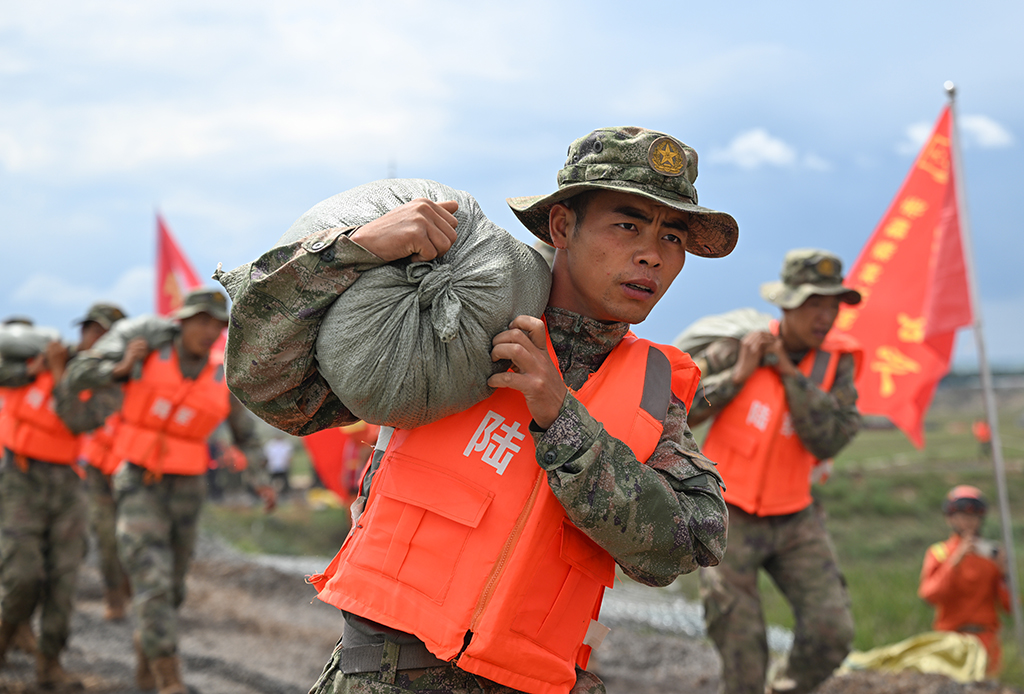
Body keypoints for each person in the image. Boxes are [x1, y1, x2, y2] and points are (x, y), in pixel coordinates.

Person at [216, 126, 737, 694]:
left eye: (673, 238)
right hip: (387, 677)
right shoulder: (450, 317)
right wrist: (351, 252)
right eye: (628, 225)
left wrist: (562, 419)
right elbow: (273, 388)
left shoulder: (655, 383)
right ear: (562, 226)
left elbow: (689, 543)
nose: (651, 255)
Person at [62, 288, 277, 694]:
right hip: (138, 479)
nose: (209, 331)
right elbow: (77, 375)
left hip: (188, 487)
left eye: (217, 324)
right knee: (152, 578)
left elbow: (246, 436)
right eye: (201, 321)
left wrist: (261, 481)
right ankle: (168, 677)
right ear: (180, 321)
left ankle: (148, 652)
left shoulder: (221, 372)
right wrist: (120, 368)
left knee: (173, 587)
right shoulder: (143, 356)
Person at [688, 249, 863, 694]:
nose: (825, 316)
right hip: (729, 517)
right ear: (786, 303)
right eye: (813, 303)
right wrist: (739, 375)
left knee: (832, 631)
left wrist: (789, 374)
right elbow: (683, 411)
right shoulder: (736, 345)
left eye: (833, 304)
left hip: (795, 518)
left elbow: (830, 438)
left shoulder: (836, 364)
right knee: (742, 649)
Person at [0, 301, 125, 689]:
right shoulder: (39, 356)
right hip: (21, 478)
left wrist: (55, 375)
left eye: (102, 332)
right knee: (21, 576)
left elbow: (76, 420)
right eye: (89, 328)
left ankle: (49, 663)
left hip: (68, 485)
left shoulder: (108, 384)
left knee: (63, 579)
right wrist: (31, 370)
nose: (92, 337)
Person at [919, 485, 1010, 675]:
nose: (968, 521)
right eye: (962, 515)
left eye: (974, 516)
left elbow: (1010, 606)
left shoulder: (992, 555)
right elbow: (929, 595)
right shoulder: (939, 553)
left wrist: (1004, 574)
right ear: (950, 518)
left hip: (986, 640)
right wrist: (954, 562)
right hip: (951, 640)